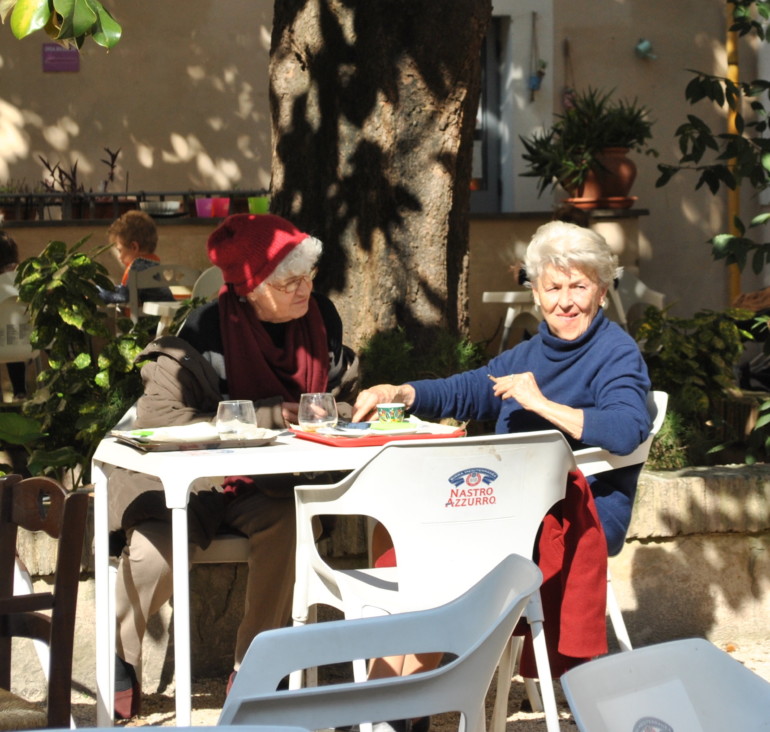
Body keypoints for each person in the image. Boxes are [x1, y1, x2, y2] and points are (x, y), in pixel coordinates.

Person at [353, 220, 651, 700]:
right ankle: (395, 697)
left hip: (574, 515)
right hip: (509, 504)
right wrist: (401, 392)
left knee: (431, 541)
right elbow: (468, 389)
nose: (566, 301)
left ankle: (392, 702)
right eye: (553, 288)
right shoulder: (529, 352)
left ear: (601, 292)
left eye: (579, 286)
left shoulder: (615, 352)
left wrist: (542, 405)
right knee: (396, 530)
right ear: (535, 293)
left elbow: (627, 428)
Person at [111, 213, 359, 719]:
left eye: (308, 276)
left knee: (289, 524)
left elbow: (345, 397)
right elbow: (159, 417)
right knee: (154, 554)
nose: (305, 289)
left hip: (270, 485)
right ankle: (119, 657)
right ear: (251, 289)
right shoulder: (203, 333)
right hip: (194, 483)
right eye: (289, 282)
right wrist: (267, 414)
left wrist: (339, 412)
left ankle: (254, 669)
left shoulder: (322, 322)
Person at [97, 209, 174, 306]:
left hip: (154, 314)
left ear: (134, 247)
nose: (119, 257)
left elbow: (124, 296)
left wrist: (100, 294)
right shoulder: (153, 264)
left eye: (120, 250)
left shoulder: (138, 266)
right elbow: (126, 289)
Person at [0, 232, 27, 398]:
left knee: (6, 335)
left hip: (4, 344)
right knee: (12, 334)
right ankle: (20, 391)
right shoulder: (27, 278)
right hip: (28, 344)